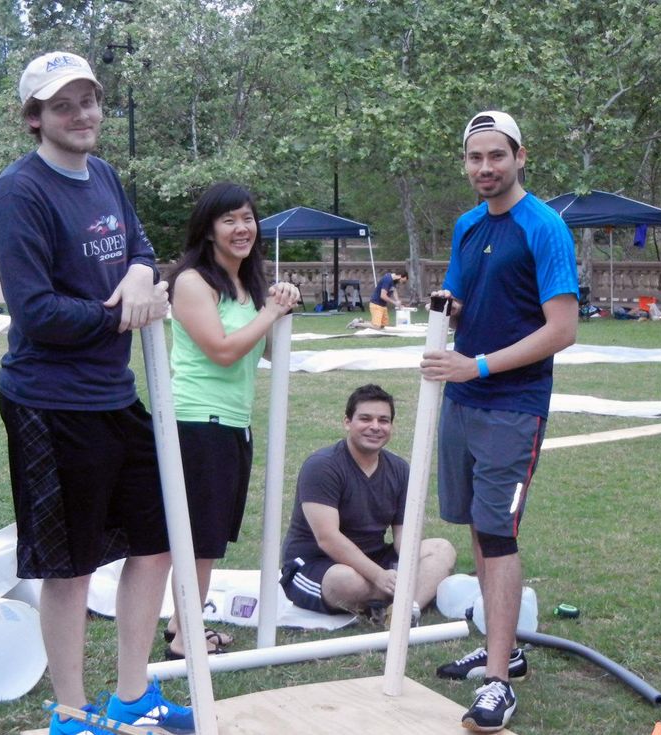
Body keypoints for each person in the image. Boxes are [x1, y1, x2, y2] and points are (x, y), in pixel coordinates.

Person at [0, 51, 193, 735]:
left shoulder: (102, 173)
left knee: (157, 540)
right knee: (69, 566)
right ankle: (72, 714)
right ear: (35, 117)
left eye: (89, 100)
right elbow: (37, 312)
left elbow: (136, 241)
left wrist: (139, 271)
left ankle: (132, 695)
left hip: (113, 394)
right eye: (63, 104)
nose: (81, 114)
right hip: (50, 402)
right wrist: (122, 311)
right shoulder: (20, 192)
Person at [420, 111, 578, 733]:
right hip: (463, 401)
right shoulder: (466, 225)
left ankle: (497, 685)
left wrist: (477, 366)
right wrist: (448, 308)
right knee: (479, 531)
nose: (485, 168)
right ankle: (502, 647)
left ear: (520, 156)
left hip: (512, 407)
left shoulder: (545, 227)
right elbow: (459, 296)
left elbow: (561, 329)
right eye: (474, 158)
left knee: (499, 530)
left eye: (496, 156)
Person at [163, 181, 299, 659]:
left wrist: (275, 306)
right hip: (197, 421)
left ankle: (185, 625)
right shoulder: (191, 282)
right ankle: (185, 640)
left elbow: (259, 348)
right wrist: (271, 310)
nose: (242, 228)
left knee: (209, 535)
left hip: (232, 423)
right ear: (208, 229)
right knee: (201, 538)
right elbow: (222, 351)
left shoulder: (246, 283)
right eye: (229, 220)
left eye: (247, 218)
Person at [279, 384, 457, 620]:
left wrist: (409, 565)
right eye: (365, 418)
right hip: (318, 565)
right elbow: (327, 539)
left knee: (441, 550)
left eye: (383, 420)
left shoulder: (400, 469)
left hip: (374, 558)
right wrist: (380, 576)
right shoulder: (322, 466)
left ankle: (405, 611)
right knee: (347, 582)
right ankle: (407, 593)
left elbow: (404, 539)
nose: (375, 426)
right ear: (347, 422)